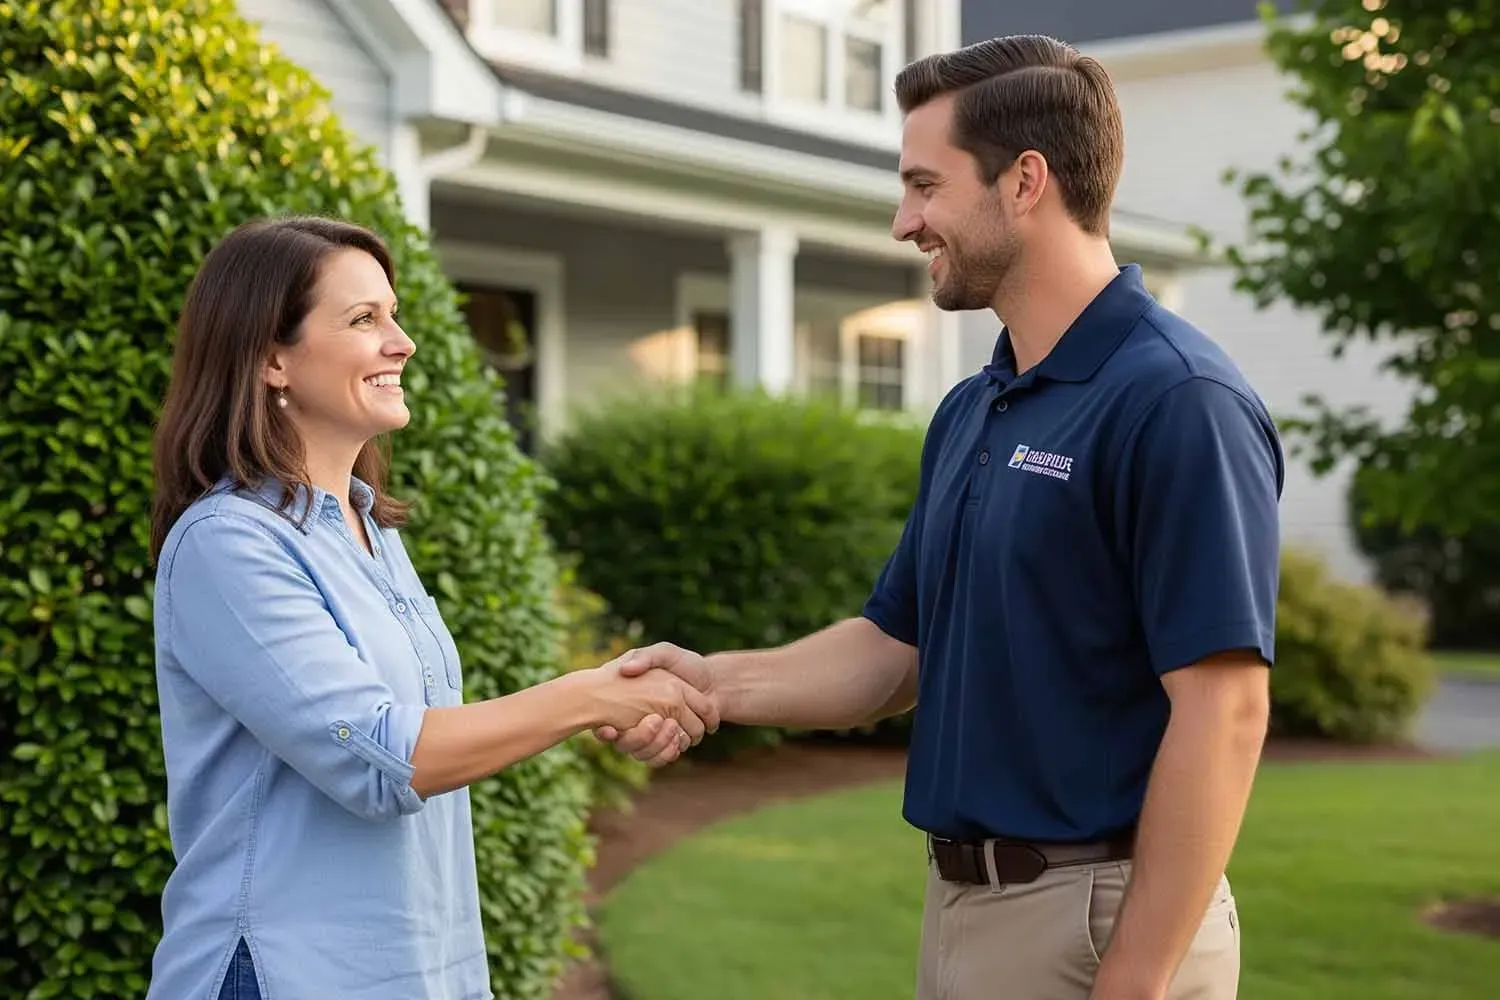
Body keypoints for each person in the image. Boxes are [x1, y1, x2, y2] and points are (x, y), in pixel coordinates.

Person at [597, 34, 1282, 1000]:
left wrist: (1134, 980)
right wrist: (710, 684)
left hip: (1101, 924)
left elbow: (1225, 711)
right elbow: (896, 649)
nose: (902, 221)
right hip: (966, 914)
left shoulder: (1177, 399)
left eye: (924, 185)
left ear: (1025, 181)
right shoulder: (977, 406)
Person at [145, 215, 715, 1000]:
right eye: (363, 319)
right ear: (271, 358)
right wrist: (589, 697)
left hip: (415, 974)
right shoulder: (228, 545)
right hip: (283, 976)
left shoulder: (367, 528)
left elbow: (420, 739)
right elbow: (377, 757)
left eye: (394, 314)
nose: (402, 341)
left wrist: (604, 703)